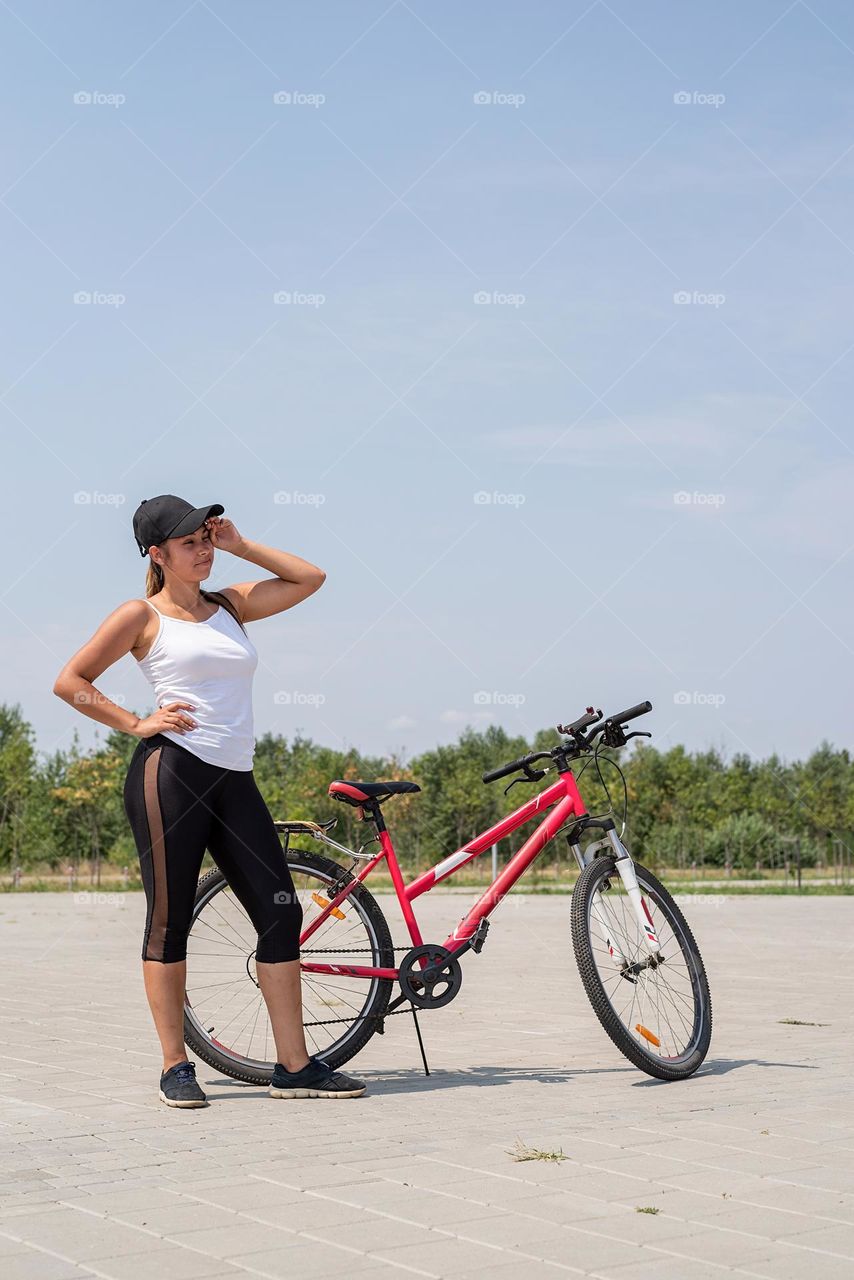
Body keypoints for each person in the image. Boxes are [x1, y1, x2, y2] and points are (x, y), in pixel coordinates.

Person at [53, 494, 366, 1106]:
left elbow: (311, 577)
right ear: (157, 554)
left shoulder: (230, 606)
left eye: (205, 536)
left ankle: (294, 1068)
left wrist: (239, 544)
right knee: (169, 923)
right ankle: (176, 1066)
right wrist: (136, 723)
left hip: (234, 778)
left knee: (281, 913)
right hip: (171, 775)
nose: (202, 547)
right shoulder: (140, 616)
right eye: (189, 540)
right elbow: (71, 682)